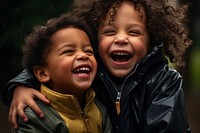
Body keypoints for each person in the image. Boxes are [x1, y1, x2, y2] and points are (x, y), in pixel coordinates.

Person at [1, 0, 192, 132]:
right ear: (95, 39)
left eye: (134, 32)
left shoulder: (164, 82)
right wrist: (22, 85)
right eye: (109, 31)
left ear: (151, 40)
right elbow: (51, 66)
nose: (121, 38)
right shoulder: (91, 72)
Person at [10, 11, 112, 133]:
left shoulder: (100, 109)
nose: (83, 55)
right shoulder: (33, 115)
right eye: (69, 51)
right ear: (43, 73)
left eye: (88, 51)